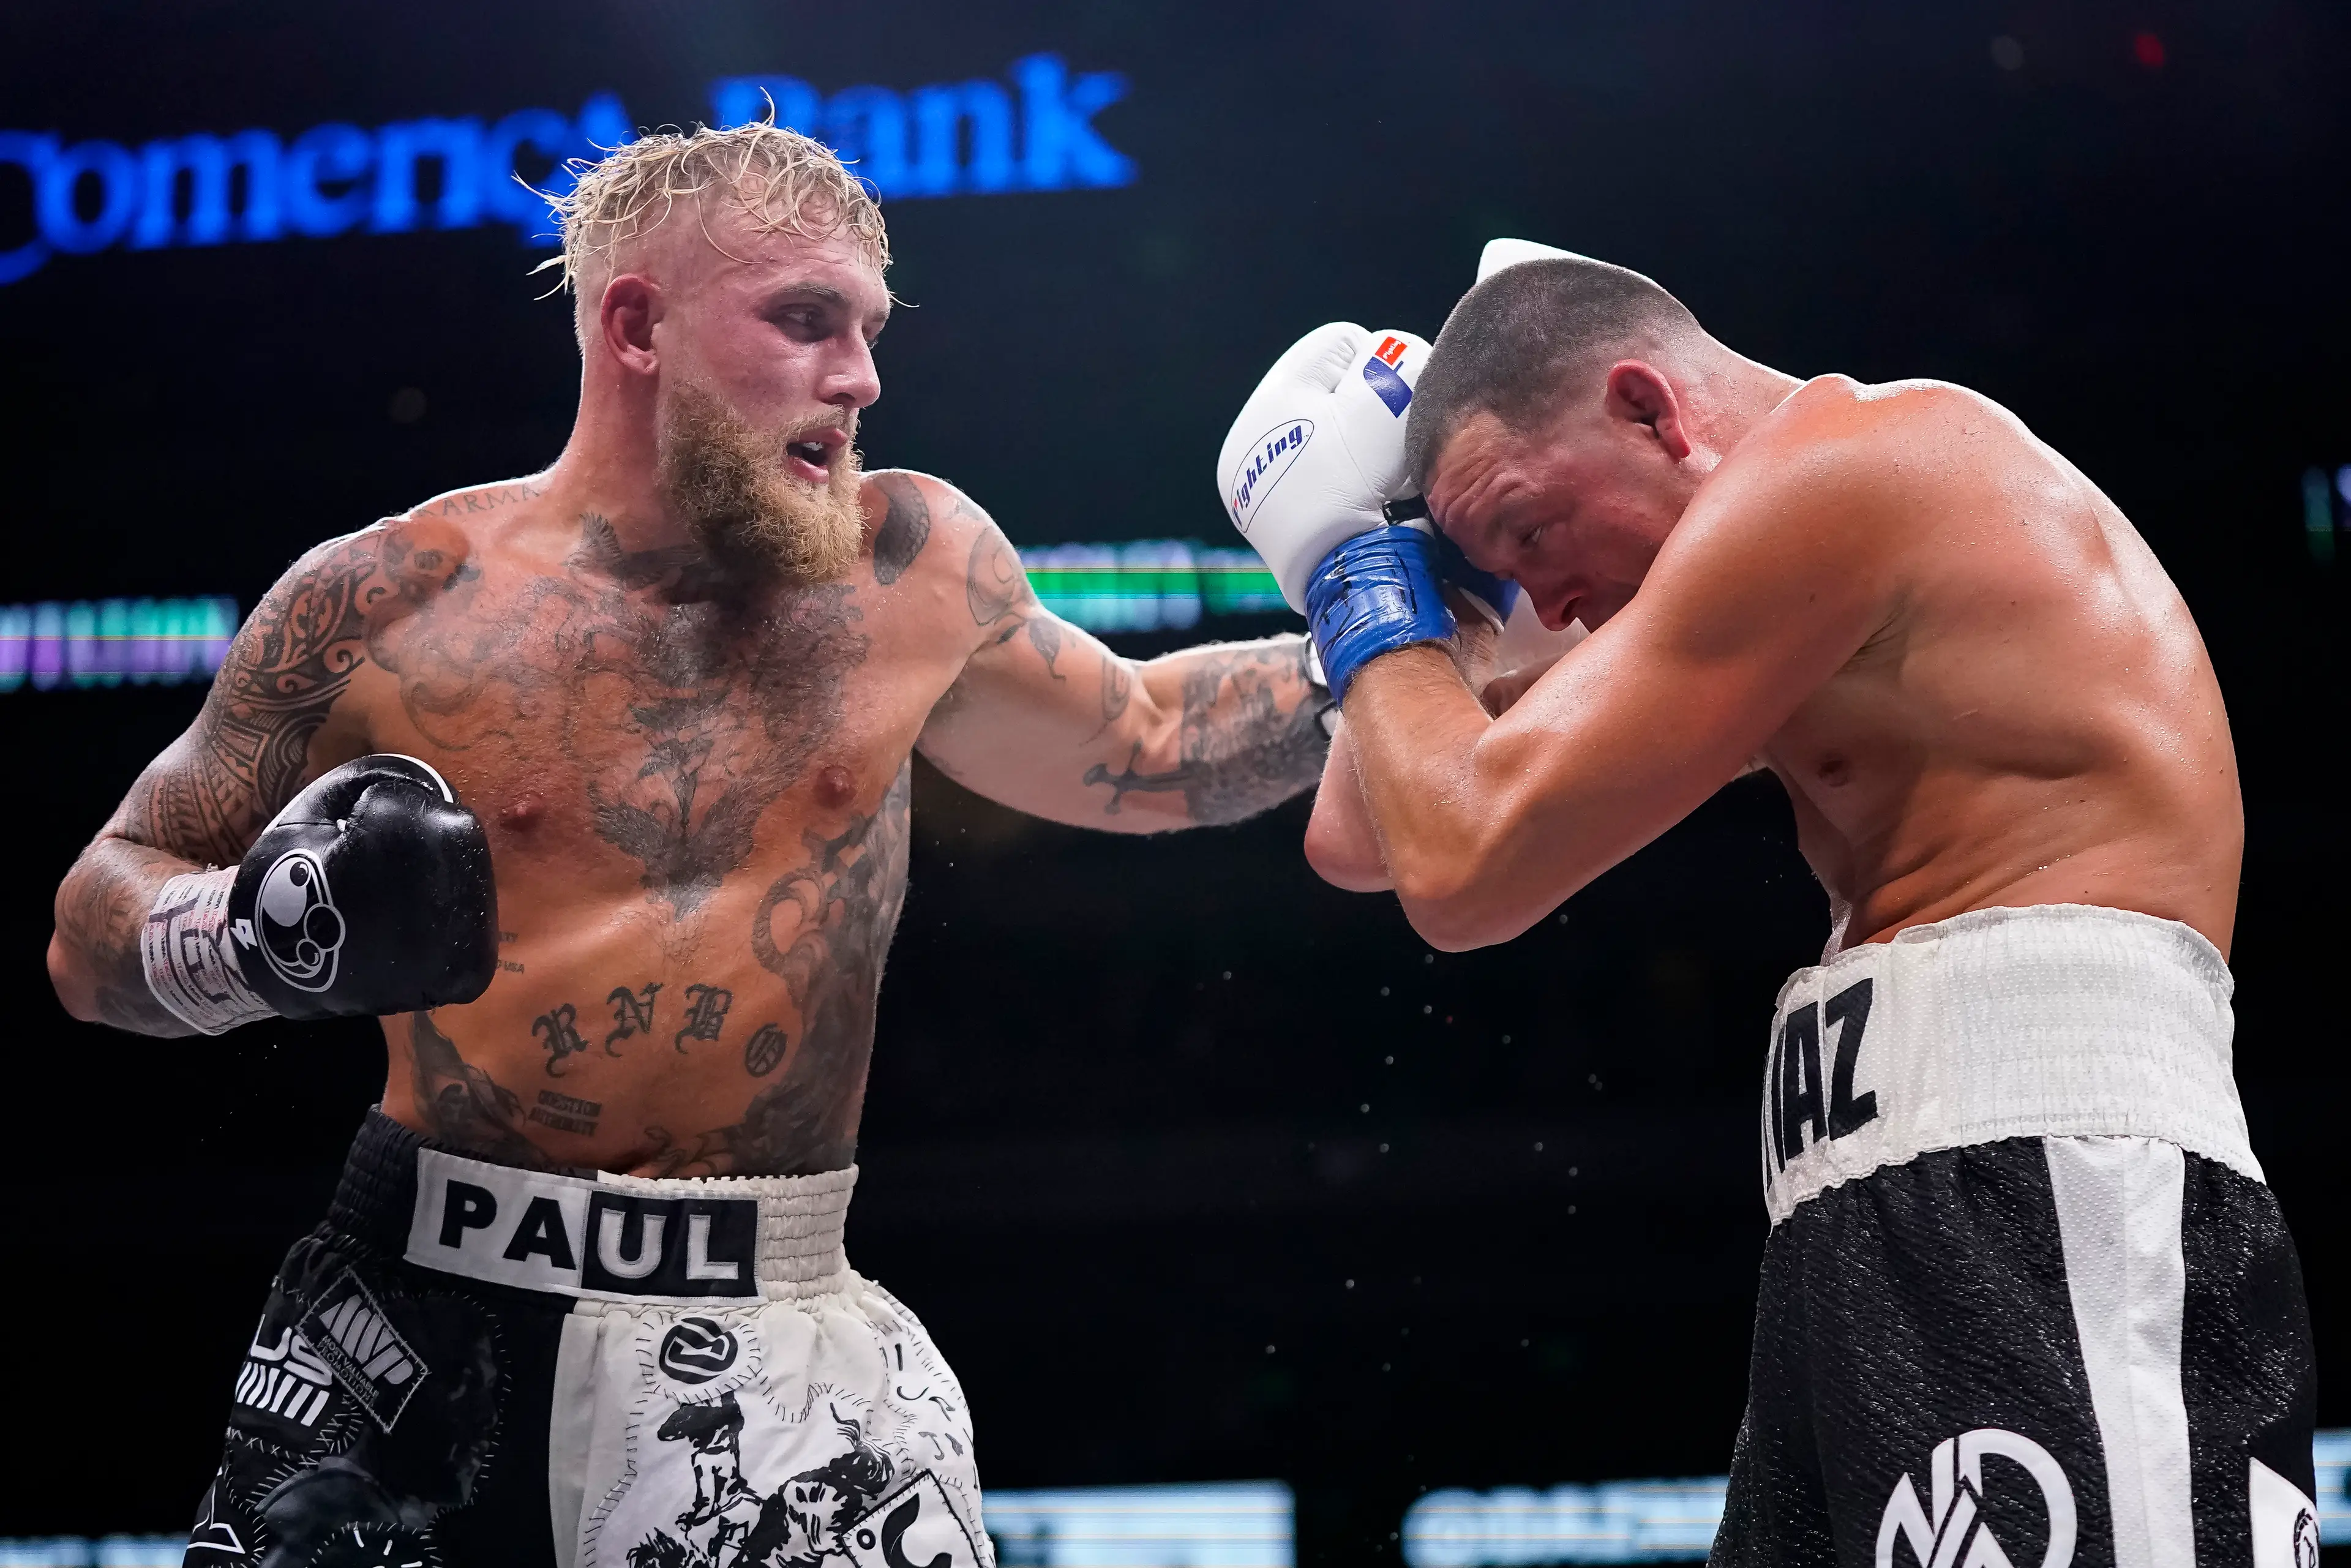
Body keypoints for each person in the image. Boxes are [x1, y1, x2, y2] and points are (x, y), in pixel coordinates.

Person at [49, 121, 1332, 1568]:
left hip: (773, 1340)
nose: (860, 376)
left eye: (869, 328)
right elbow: (94, 928)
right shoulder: (391, 600)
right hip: (403, 1321)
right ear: (637, 326)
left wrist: (1391, 634)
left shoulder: (910, 567)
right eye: (806, 320)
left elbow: (1149, 741)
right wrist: (250, 935)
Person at [1217, 246, 2318, 1568]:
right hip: (1867, 1220)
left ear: (1649, 409)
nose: (1549, 600)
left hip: (2053, 1182)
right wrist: (1436, 572)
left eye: (1534, 531)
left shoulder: (1855, 467)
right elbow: (1369, 834)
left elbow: (1464, 873)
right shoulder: (1746, 582)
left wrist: (1347, 567)